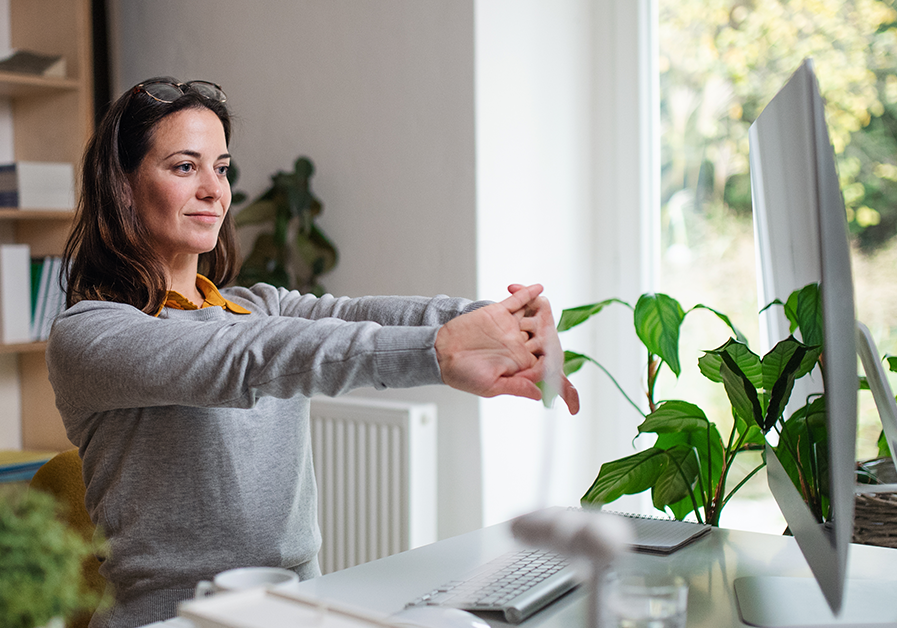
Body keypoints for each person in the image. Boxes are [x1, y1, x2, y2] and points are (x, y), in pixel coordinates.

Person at [46, 77, 580, 628]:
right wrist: (438, 350)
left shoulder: (258, 305)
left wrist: (494, 318)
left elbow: (357, 315)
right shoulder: (92, 334)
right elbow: (248, 356)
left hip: (299, 606)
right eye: (185, 167)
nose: (215, 190)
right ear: (124, 188)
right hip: (171, 618)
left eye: (222, 168)